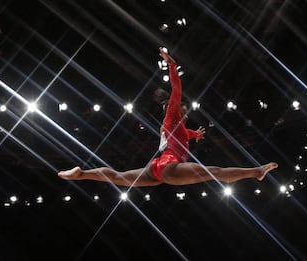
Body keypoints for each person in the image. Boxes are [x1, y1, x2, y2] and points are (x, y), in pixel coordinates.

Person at [58, 47, 278, 187]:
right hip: (169, 167)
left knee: (117, 177)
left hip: (156, 168)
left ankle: (82, 174)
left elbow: (183, 135)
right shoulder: (172, 115)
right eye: (183, 107)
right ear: (177, 108)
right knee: (214, 172)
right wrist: (172, 65)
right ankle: (256, 172)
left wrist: (196, 134)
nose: (185, 109)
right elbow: (176, 90)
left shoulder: (178, 126)